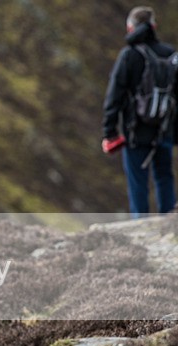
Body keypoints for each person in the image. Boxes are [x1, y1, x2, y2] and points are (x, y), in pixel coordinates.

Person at [102, 6, 178, 217]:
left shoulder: (129, 55)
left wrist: (110, 132)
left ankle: (140, 223)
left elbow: (114, 96)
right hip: (164, 130)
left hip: (135, 131)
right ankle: (170, 222)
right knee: (164, 177)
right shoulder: (171, 54)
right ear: (154, 26)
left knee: (138, 181)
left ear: (130, 28)